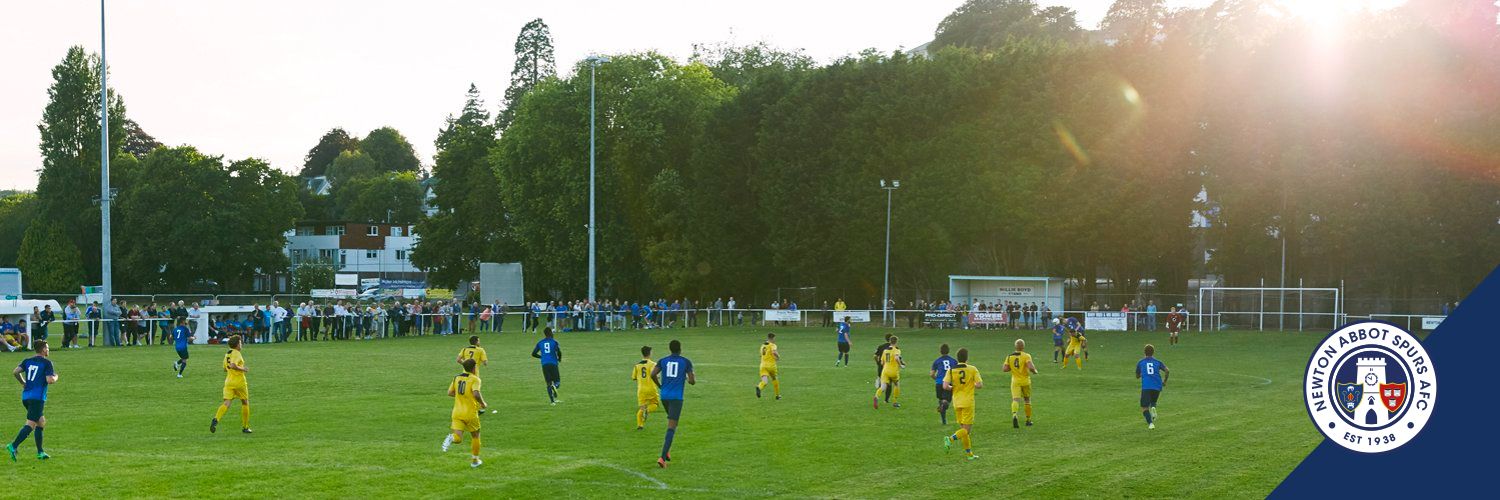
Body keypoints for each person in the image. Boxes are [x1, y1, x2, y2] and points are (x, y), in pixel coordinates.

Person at [7, 341, 56, 460]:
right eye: (47, 348)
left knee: (41, 421)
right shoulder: (47, 363)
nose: (48, 350)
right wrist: (56, 377)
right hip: (37, 398)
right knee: (31, 424)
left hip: (26, 397)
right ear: (43, 349)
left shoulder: (27, 361)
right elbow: (49, 380)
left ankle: (40, 452)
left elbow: (15, 372)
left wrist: (23, 383)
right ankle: (13, 446)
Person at [652, 339, 695, 468]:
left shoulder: (663, 360)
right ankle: (662, 458)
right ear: (680, 349)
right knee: (672, 426)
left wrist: (660, 386)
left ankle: (667, 450)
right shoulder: (686, 362)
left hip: (664, 396)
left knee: (672, 423)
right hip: (676, 398)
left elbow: (653, 374)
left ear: (670, 349)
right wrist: (688, 378)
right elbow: (692, 381)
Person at [441, 358, 487, 468]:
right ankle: (475, 461)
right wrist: (483, 403)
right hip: (470, 413)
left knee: (458, 438)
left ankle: (451, 438)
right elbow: (476, 394)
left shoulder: (456, 377)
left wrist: (462, 397)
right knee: (476, 436)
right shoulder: (475, 379)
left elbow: (450, 392)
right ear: (474, 368)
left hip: (457, 412)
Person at [941, 348, 982, 461]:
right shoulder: (972, 369)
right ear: (967, 358)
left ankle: (969, 454)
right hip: (968, 402)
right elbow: (979, 385)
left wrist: (953, 387)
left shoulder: (951, 370)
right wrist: (971, 384)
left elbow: (945, 386)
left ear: (957, 359)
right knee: (966, 430)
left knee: (963, 431)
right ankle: (950, 439)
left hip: (957, 402)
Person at [210, 335, 251, 434]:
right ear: (237, 344)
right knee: (245, 402)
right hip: (239, 382)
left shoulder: (227, 354)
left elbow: (225, 368)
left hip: (229, 382)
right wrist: (243, 369)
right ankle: (245, 427)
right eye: (240, 343)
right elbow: (233, 365)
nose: (241, 344)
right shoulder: (237, 353)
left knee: (226, 403)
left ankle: (216, 419)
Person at [1002, 339, 1038, 428]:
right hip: (1025, 381)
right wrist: (1034, 371)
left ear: (1015, 347)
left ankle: (1014, 414)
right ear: (1023, 347)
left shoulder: (1009, 356)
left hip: (1015, 381)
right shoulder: (1026, 356)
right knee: (1027, 400)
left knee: (1015, 400)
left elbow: (1005, 369)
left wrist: (1013, 368)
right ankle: (1028, 420)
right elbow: (1030, 366)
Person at [1137, 344, 1170, 429]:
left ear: (1144, 352)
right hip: (1157, 385)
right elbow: (1167, 370)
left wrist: (1142, 374)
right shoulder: (1157, 362)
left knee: (1144, 407)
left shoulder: (1141, 362)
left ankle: (1151, 423)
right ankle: (1153, 407)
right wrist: (1165, 381)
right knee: (1153, 400)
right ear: (1153, 352)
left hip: (1147, 386)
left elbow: (1137, 376)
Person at [631, 345, 660, 430]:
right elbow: (655, 375)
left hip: (641, 390)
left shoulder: (637, 365)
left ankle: (640, 425)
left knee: (641, 407)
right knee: (655, 404)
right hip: (651, 389)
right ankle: (647, 411)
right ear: (650, 353)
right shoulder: (653, 364)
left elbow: (634, 377)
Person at [531, 328, 562, 405]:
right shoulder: (554, 342)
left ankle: (552, 401)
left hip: (544, 364)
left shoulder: (540, 343)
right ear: (551, 333)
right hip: (553, 363)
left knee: (548, 383)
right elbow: (559, 351)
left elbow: (533, 353)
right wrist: (559, 358)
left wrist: (541, 357)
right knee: (557, 382)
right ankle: (554, 386)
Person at [874, 335, 904, 409]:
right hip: (893, 371)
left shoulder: (885, 351)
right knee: (896, 385)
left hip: (885, 370)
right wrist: (901, 365)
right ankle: (895, 402)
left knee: (883, 387)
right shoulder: (897, 350)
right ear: (896, 342)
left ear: (890, 341)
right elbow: (897, 358)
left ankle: (876, 397)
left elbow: (881, 362)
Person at [931, 344, 957, 425]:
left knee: (940, 400)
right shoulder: (953, 361)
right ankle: (944, 404)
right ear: (948, 351)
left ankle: (944, 421)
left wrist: (937, 379)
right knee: (946, 401)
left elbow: (931, 374)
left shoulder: (937, 361)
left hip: (939, 383)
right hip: (948, 383)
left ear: (940, 351)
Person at [755, 333, 781, 400]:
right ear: (772, 338)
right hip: (771, 366)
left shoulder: (762, 346)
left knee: (765, 381)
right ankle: (777, 395)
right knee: (774, 378)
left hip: (762, 365)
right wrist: (778, 357)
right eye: (774, 338)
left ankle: (759, 387)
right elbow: (774, 352)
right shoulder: (772, 345)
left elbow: (761, 355)